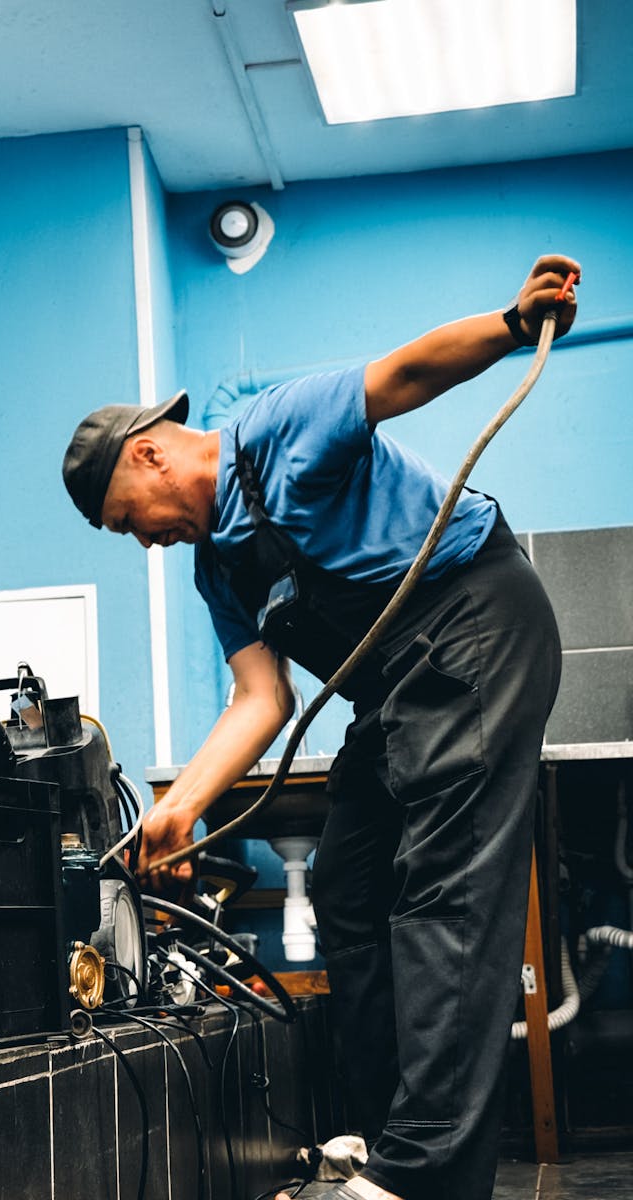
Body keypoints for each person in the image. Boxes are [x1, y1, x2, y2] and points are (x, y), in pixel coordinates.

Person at [62, 255, 580, 1200]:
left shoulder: (275, 427)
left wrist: (512, 321)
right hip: (395, 683)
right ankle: (386, 1141)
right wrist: (178, 809)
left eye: (129, 521)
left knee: (445, 890)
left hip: (475, 618)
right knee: (348, 886)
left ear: (149, 453)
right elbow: (261, 699)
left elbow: (405, 374)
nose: (143, 541)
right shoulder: (219, 570)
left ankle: (424, 1175)